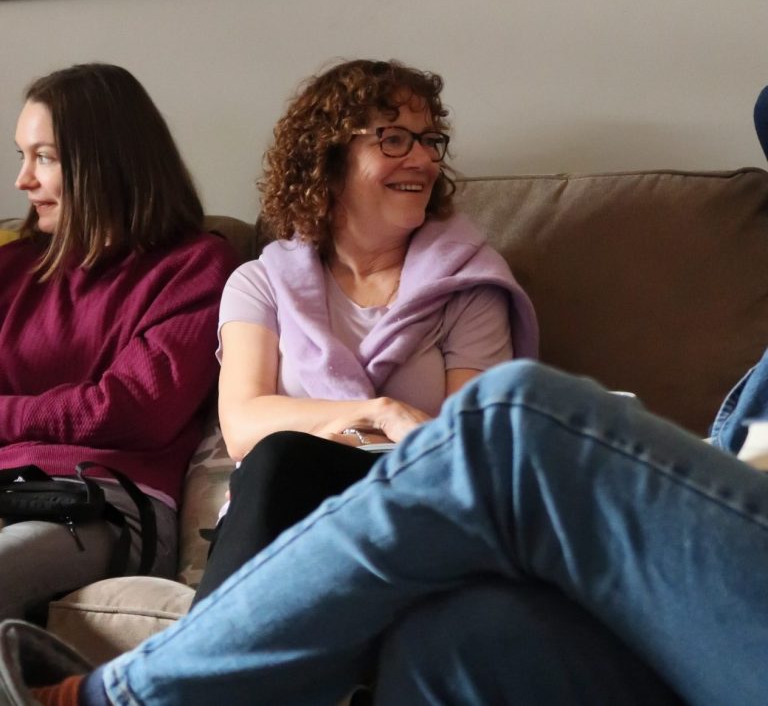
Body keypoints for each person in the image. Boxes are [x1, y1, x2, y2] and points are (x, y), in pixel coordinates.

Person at [4, 355, 768, 705]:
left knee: (512, 423)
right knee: (465, 633)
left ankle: (123, 700)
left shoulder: (462, 271)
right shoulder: (272, 274)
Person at [194, 58, 539, 601]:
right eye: (395, 139)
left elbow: (463, 447)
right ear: (329, 160)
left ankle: (193, 669)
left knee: (283, 454)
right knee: (276, 459)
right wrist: (379, 412)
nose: (424, 159)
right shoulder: (259, 284)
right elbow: (242, 423)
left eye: (430, 140)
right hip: (287, 517)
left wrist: (327, 432)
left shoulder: (468, 286)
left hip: (416, 511)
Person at [0, 62, 236, 621]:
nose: (22, 180)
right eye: (22, 156)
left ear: (104, 163)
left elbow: (133, 410)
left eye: (45, 157)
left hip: (96, 501)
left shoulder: (196, 266)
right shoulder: (11, 267)